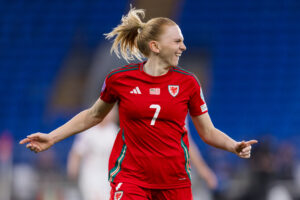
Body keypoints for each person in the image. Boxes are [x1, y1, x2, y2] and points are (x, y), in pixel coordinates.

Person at [20, 7, 257, 200]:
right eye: (177, 41)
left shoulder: (189, 84)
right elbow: (92, 115)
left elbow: (208, 132)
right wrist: (52, 137)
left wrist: (233, 145)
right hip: (131, 179)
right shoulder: (119, 80)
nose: (183, 47)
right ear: (155, 46)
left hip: (174, 182)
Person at [67, 106, 118, 200]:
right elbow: (77, 152)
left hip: (108, 175)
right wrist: (73, 168)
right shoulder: (88, 131)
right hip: (90, 174)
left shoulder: (115, 132)